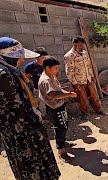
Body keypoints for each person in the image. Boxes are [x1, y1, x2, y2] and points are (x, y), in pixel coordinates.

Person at [0, 37, 60, 179]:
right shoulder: (4, 76)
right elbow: (16, 109)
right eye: (20, 56)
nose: (22, 59)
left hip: (26, 127)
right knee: (31, 165)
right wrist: (35, 119)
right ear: (10, 57)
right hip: (21, 132)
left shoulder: (12, 71)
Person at [38, 56, 77, 160]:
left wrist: (67, 93)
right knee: (60, 127)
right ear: (47, 68)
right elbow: (53, 95)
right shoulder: (46, 80)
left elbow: (59, 90)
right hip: (54, 108)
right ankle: (61, 151)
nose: (57, 70)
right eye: (55, 68)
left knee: (64, 124)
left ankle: (62, 142)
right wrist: (69, 94)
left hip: (60, 105)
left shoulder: (52, 76)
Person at [64, 36, 104, 119]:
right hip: (78, 81)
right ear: (74, 44)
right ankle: (84, 113)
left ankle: (98, 109)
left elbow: (89, 66)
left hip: (88, 79)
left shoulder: (85, 53)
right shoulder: (69, 56)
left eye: (82, 45)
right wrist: (75, 83)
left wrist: (92, 77)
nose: (82, 47)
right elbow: (69, 72)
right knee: (82, 98)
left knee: (94, 95)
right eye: (80, 45)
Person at [24, 47, 48, 119]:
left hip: (49, 88)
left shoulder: (48, 65)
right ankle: (43, 117)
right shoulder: (30, 66)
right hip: (38, 89)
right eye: (42, 57)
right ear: (37, 57)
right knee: (41, 104)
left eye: (45, 57)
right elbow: (27, 79)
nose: (44, 58)